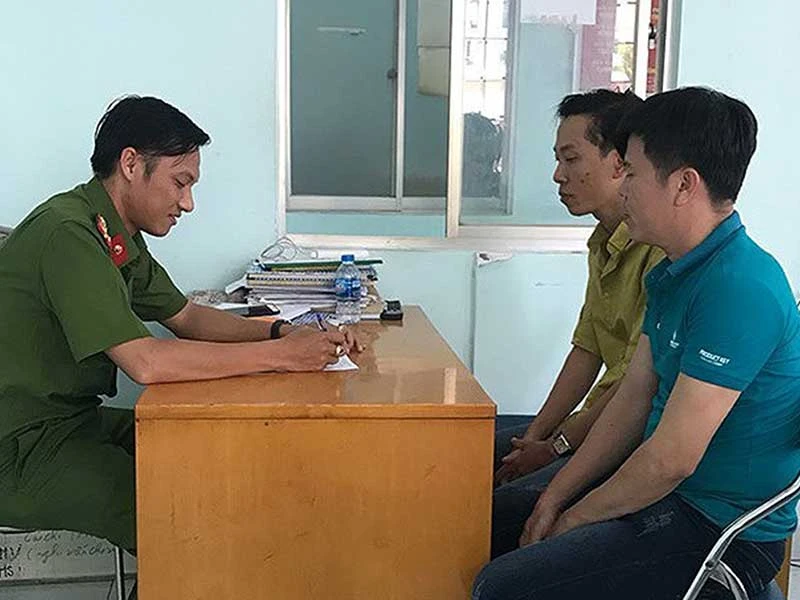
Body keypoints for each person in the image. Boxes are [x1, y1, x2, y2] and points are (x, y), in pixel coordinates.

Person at [0, 96, 361, 596]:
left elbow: (187, 317)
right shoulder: (69, 233)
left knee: (209, 459)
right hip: (19, 448)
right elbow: (145, 362)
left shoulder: (115, 234)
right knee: (184, 518)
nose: (187, 203)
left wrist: (283, 332)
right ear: (131, 164)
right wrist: (283, 357)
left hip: (70, 423)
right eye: (180, 182)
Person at [474, 87, 800, 599]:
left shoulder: (739, 286)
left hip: (719, 531)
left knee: (503, 586)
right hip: (665, 496)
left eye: (632, 173)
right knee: (476, 523)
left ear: (683, 185)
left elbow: (672, 459)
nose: (621, 188)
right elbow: (632, 400)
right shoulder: (672, 272)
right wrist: (554, 498)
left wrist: (575, 518)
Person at [494, 90, 663, 496]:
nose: (558, 175)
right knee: (465, 450)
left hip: (623, 438)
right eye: (558, 160)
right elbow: (587, 350)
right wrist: (533, 438)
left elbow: (635, 386)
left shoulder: (659, 251)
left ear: (620, 164)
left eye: (571, 159)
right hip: (588, 423)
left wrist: (555, 446)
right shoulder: (602, 241)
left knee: (496, 510)